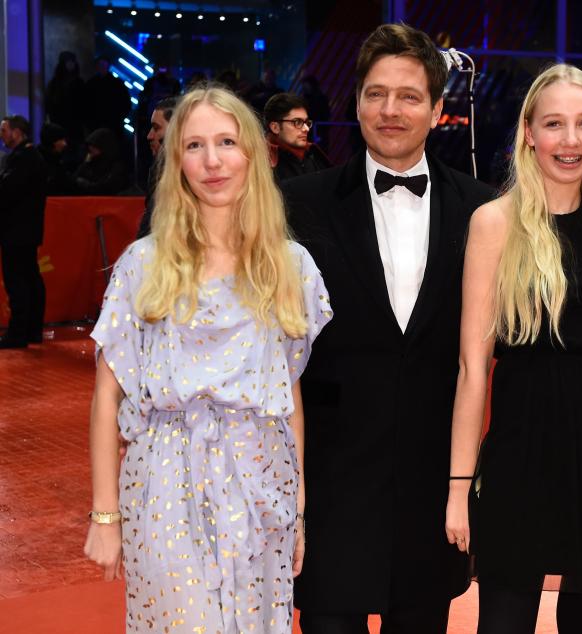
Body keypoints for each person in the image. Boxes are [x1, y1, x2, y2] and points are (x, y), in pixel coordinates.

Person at [82, 86, 332, 633]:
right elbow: (107, 395)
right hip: (165, 480)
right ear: (176, 162)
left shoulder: (292, 267)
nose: (213, 160)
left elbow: (287, 397)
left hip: (263, 479)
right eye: (194, 145)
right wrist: (106, 515)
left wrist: (300, 511)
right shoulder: (143, 266)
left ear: (254, 154)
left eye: (226, 142)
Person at [281, 23, 499, 633]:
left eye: (408, 96)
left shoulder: (482, 209)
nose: (390, 110)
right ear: (356, 104)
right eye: (376, 94)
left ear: (435, 108)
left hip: (433, 482)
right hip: (330, 481)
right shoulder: (301, 204)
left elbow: (507, 330)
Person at [446, 64, 582, 634]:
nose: (570, 140)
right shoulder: (495, 222)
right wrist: (459, 488)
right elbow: (472, 367)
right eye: (555, 124)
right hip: (523, 447)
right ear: (528, 133)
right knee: (504, 621)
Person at [0, 115, 47, 349]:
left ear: (17, 132)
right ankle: (31, 330)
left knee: (18, 280)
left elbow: (8, 190)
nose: (2, 136)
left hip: (16, 230)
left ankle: (19, 332)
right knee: (29, 277)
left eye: (5, 130)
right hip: (25, 229)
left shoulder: (23, 159)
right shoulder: (30, 157)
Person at [263, 92, 330, 183]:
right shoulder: (261, 162)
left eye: (306, 122)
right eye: (297, 122)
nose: (306, 129)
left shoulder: (313, 152)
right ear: (275, 127)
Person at [136, 96, 178, 239]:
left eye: (156, 128)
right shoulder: (159, 169)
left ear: (176, 129)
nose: (149, 136)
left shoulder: (179, 175)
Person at [71, 127, 128, 195]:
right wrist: (86, 162)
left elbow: (107, 187)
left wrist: (87, 185)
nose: (90, 148)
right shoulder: (90, 161)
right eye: (90, 145)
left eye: (95, 145)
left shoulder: (116, 165)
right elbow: (73, 180)